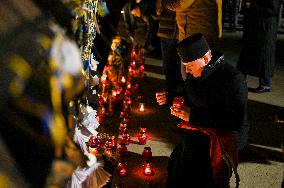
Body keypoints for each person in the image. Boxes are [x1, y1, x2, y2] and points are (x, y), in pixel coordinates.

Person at [156, 33, 248, 187]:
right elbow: (188, 93)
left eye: (189, 65)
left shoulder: (233, 79)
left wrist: (193, 116)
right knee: (179, 157)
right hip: (201, 125)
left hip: (227, 132)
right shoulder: (197, 72)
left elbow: (234, 120)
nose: (187, 70)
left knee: (195, 159)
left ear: (205, 59)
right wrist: (170, 98)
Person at [161, 0, 222, 80]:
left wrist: (163, 2)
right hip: (206, 35)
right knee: (205, 74)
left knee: (192, 76)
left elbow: (176, 4)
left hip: (195, 40)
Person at [237, 0, 282, 93]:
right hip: (256, 26)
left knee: (264, 57)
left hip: (265, 27)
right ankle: (239, 80)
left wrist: (251, 6)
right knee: (246, 55)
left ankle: (265, 84)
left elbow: (272, 9)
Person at [155, 0, 183, 104]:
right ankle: (169, 94)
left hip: (181, 33)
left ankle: (179, 95)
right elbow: (157, 15)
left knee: (181, 66)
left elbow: (181, 6)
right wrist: (158, 11)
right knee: (168, 65)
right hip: (166, 33)